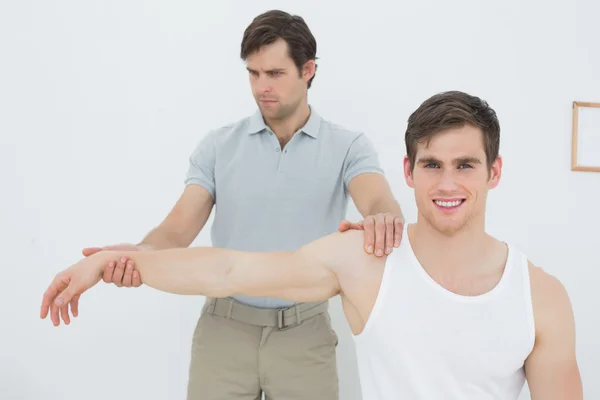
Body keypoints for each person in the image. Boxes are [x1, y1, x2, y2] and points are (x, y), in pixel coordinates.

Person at [42, 90, 583, 400]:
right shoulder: (365, 262)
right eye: (432, 165)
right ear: (409, 172)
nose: (447, 184)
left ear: (495, 172)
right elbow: (227, 271)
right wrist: (120, 260)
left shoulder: (543, 296)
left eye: (465, 165)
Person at [65, 9, 405, 400]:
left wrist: (385, 218)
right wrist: (139, 253)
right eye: (253, 73)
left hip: (305, 334)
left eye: (275, 73)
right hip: (223, 331)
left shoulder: (348, 146)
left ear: (308, 69)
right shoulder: (218, 145)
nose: (262, 86)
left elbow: (377, 198)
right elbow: (175, 231)